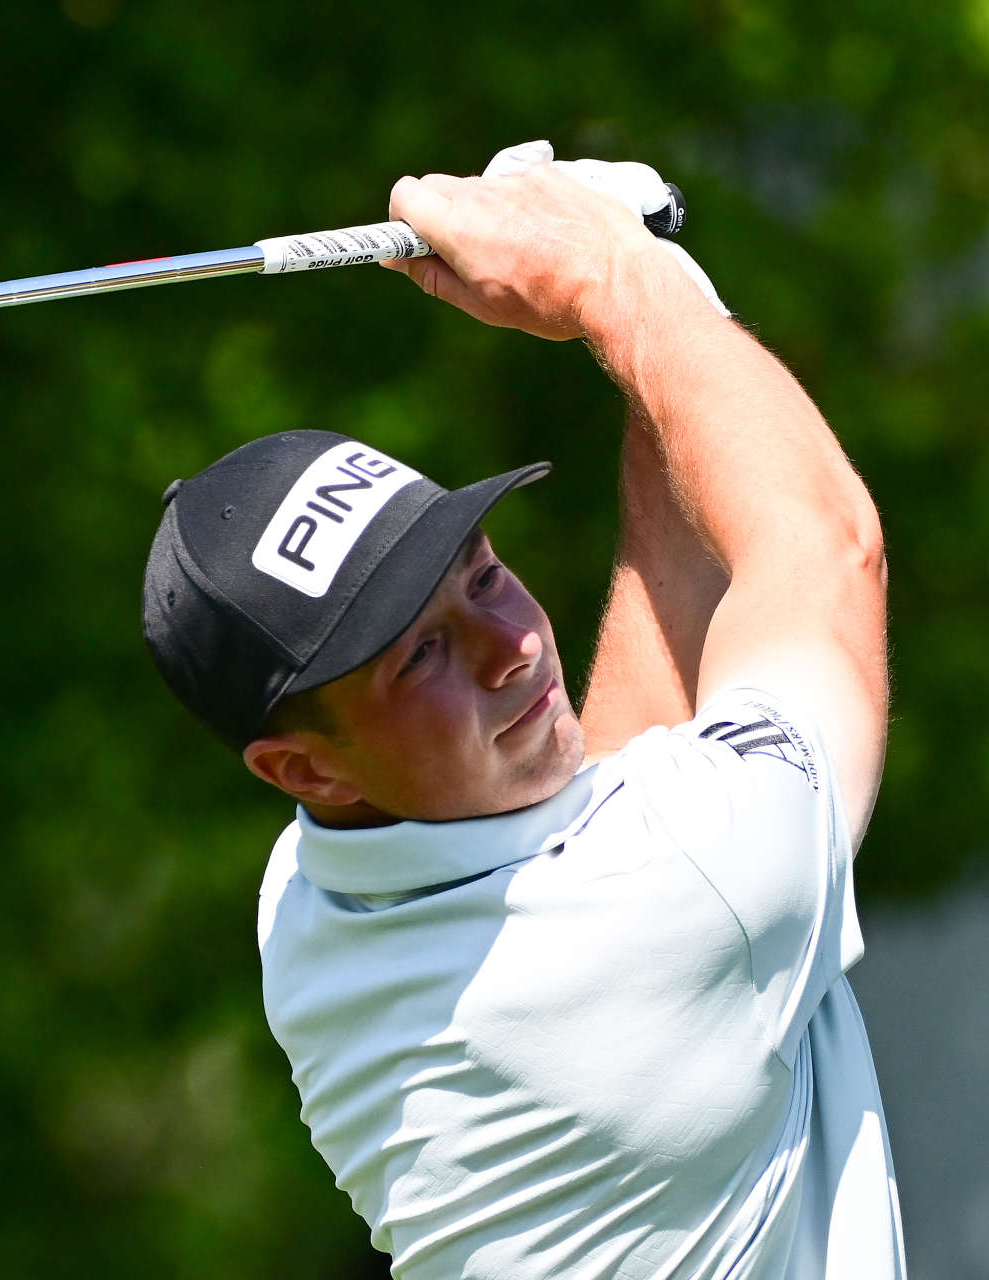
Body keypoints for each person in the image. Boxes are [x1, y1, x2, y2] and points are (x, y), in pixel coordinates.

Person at [141, 142, 902, 1276]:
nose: (515, 645)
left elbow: (629, 774)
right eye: (422, 655)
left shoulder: (315, 894)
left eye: (484, 574)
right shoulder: (672, 908)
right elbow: (826, 550)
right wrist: (605, 274)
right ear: (301, 768)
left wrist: (650, 277)